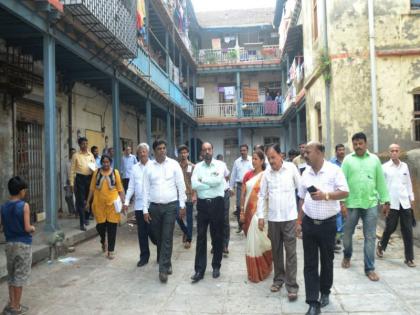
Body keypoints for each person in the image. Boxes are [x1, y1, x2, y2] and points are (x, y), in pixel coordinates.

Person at [296, 142, 349, 315]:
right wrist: (298, 222)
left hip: (328, 224)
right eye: (304, 152)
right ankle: (313, 302)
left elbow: (344, 192)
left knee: (327, 261)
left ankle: (325, 292)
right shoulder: (305, 173)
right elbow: (302, 199)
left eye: (308, 152)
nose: (305, 155)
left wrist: (325, 195)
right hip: (309, 223)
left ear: (319, 152)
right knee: (310, 264)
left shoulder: (334, 171)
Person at [341, 132, 390, 281]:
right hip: (352, 204)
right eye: (355, 144)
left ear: (366, 144)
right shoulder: (348, 161)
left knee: (370, 237)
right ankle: (347, 255)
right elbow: (341, 182)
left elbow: (380, 182)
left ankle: (369, 268)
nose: (358, 146)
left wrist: (385, 201)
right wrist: (341, 202)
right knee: (347, 234)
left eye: (360, 143)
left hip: (370, 204)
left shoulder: (374, 160)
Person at [257, 144, 300, 301]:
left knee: (291, 252)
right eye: (268, 158)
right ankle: (278, 279)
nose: (271, 161)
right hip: (274, 219)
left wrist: (300, 217)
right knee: (276, 251)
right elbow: (262, 196)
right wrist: (261, 216)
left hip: (289, 217)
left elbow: (301, 189)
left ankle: (292, 285)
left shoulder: (291, 169)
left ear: (281, 155)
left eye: (273, 157)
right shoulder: (266, 173)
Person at [143, 140, 186, 283]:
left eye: (164, 148)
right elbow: (145, 190)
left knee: (167, 235)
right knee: (159, 236)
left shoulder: (174, 165)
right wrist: (144, 209)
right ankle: (167, 262)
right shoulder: (149, 167)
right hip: (154, 207)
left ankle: (162, 270)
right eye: (159, 149)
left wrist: (182, 205)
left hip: (171, 206)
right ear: (154, 151)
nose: (162, 150)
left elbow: (181, 185)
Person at [190, 142, 226, 283]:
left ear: (213, 150)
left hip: (217, 203)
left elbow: (218, 181)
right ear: (201, 152)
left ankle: (216, 266)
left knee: (217, 236)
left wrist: (202, 181)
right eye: (204, 150)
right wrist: (208, 183)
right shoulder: (197, 167)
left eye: (209, 149)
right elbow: (194, 184)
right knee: (200, 237)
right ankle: (199, 270)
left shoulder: (220, 165)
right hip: (203, 205)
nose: (207, 152)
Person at [377, 144, 416, 267]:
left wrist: (412, 198)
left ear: (399, 152)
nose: (394, 152)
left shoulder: (404, 166)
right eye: (392, 151)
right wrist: (383, 202)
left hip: (404, 203)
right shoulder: (384, 168)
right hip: (391, 203)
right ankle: (381, 246)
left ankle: (409, 258)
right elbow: (380, 187)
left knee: (408, 230)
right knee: (390, 228)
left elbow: (408, 183)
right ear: (389, 153)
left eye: (396, 150)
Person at [1, 176, 35, 315]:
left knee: (12, 275)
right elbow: (27, 228)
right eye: (24, 190)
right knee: (19, 277)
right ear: (21, 191)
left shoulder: (3, 207)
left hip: (9, 244)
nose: (25, 192)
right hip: (23, 245)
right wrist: (33, 228)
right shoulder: (24, 206)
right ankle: (16, 307)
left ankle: (12, 303)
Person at [239, 150, 272, 283]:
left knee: (262, 242)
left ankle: (265, 268)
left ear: (262, 161)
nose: (253, 161)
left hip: (261, 213)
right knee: (251, 243)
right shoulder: (247, 175)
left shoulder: (266, 175)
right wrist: (241, 211)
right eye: (252, 159)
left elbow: (268, 195)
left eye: (256, 159)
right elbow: (243, 194)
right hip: (248, 212)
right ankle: (254, 272)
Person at [86, 155, 125, 259]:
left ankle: (111, 250)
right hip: (99, 204)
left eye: (108, 162)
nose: (106, 164)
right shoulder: (96, 172)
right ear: (101, 163)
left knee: (112, 227)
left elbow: (120, 189)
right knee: (100, 227)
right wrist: (87, 202)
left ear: (110, 163)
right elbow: (91, 188)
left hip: (112, 205)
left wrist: (124, 203)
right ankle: (103, 240)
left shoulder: (115, 172)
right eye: (104, 162)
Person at [123, 143, 152, 267]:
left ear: (148, 152)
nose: (142, 153)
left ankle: (161, 251)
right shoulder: (135, 168)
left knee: (154, 231)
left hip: (152, 205)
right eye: (140, 151)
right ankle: (144, 257)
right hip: (139, 205)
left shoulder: (154, 166)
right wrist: (126, 202)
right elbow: (131, 187)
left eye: (144, 151)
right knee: (142, 233)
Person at [70, 137, 96, 231]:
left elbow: (94, 167)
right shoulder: (75, 155)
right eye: (83, 144)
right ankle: (81, 223)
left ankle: (86, 217)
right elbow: (72, 170)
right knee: (81, 201)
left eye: (86, 143)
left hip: (89, 179)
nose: (85, 145)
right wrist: (72, 183)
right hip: (80, 179)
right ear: (79, 145)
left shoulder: (91, 155)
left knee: (90, 199)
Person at [229, 144, 253, 233]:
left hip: (250, 185)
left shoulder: (252, 160)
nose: (243, 152)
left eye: (244, 150)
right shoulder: (237, 162)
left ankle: (249, 225)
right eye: (241, 151)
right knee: (239, 206)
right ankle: (240, 226)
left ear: (247, 151)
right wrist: (230, 187)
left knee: (249, 205)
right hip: (239, 186)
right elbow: (233, 174)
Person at [177, 145, 196, 249]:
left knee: (189, 218)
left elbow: (195, 182)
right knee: (177, 216)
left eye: (185, 152)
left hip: (189, 195)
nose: (183, 154)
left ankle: (189, 239)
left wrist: (194, 194)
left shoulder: (193, 166)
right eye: (181, 153)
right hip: (179, 195)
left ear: (188, 154)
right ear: (179, 154)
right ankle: (185, 231)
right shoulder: (176, 167)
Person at [330, 144, 346, 253]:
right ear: (336, 151)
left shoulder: (348, 161)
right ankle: (336, 238)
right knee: (338, 215)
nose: (341, 151)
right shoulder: (331, 163)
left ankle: (339, 236)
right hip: (336, 192)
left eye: (343, 149)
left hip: (345, 191)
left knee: (344, 215)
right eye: (339, 150)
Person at [216, 154, 231, 256]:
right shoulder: (203, 166)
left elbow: (227, 175)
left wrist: (225, 184)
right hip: (214, 195)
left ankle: (225, 245)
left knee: (225, 219)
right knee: (214, 220)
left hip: (224, 193)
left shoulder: (222, 164)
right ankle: (215, 245)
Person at [65, 148, 76, 217]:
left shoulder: (77, 162)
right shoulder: (67, 163)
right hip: (69, 182)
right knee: (68, 197)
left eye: (74, 153)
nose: (73, 154)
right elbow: (64, 173)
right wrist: (64, 184)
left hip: (76, 182)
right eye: (72, 153)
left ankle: (76, 212)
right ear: (69, 154)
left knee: (76, 198)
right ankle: (71, 211)